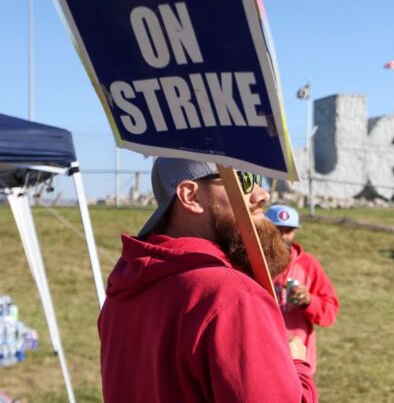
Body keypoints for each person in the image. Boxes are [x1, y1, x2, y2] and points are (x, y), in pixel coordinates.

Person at [98, 158, 317, 402]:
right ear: (191, 196)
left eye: (257, 178)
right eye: (244, 179)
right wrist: (297, 364)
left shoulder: (121, 294)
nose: (262, 194)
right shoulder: (232, 295)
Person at [266, 204, 339, 375]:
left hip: (297, 358)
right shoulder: (251, 261)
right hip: (263, 352)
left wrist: (309, 301)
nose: (283, 236)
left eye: (288, 230)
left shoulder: (309, 264)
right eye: (278, 229)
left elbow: (330, 313)